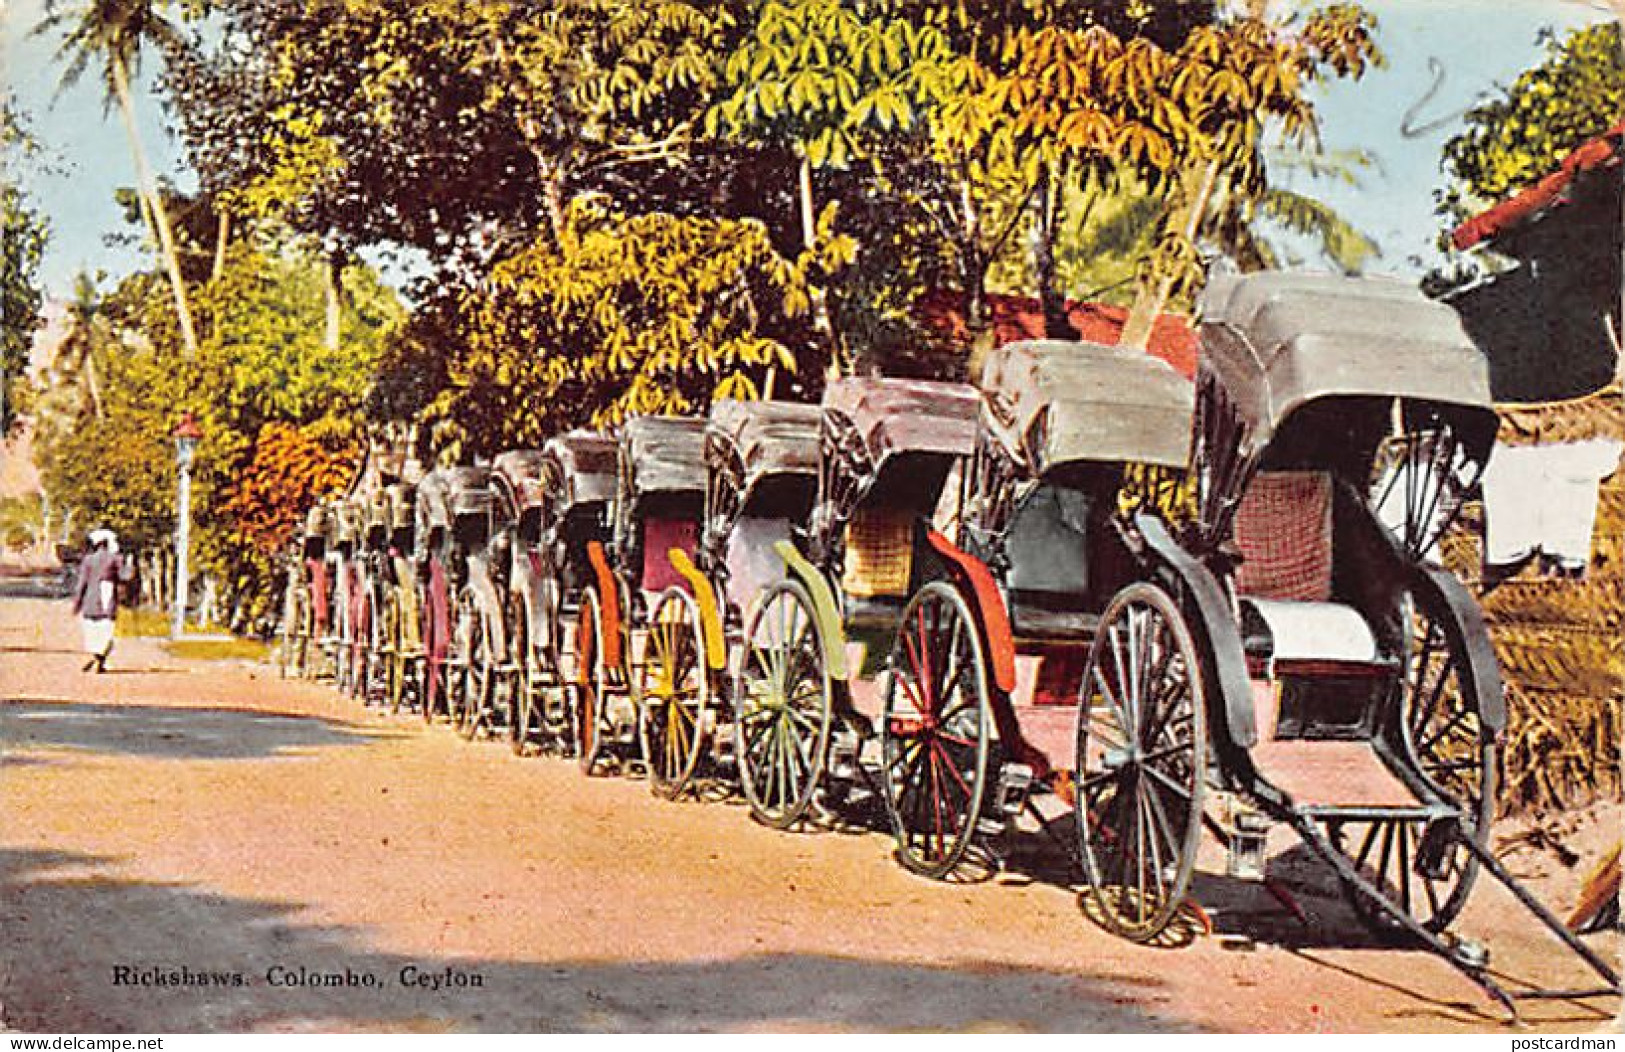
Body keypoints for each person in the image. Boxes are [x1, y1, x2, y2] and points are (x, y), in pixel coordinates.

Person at [71, 528, 126, 673]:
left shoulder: (88, 560)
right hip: (107, 601)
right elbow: (124, 576)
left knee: (92, 632)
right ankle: (99, 659)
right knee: (107, 632)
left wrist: (77, 603)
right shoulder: (115, 559)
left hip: (90, 600)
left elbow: (82, 583)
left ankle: (97, 659)